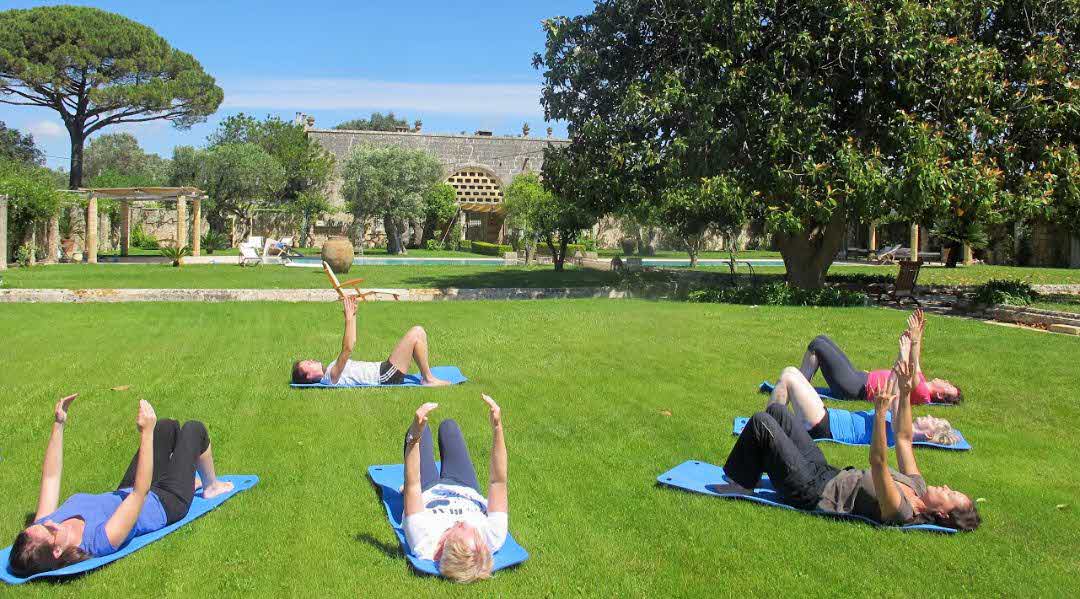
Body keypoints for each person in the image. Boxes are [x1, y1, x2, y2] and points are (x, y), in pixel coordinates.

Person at [713, 327, 980, 530]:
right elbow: (902, 437)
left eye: (950, 494)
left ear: (943, 513)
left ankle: (742, 484)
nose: (946, 486)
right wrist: (906, 393)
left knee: (762, 422)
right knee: (777, 412)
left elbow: (877, 463)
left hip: (812, 492)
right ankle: (757, 467)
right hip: (825, 472)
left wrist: (879, 414)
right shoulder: (918, 485)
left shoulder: (902, 510)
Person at [8, 395, 234, 577]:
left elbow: (50, 478)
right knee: (194, 430)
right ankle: (211, 486)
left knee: (166, 428)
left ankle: (185, 478)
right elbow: (140, 493)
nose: (49, 521)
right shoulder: (100, 540)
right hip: (165, 501)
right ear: (57, 551)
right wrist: (145, 433)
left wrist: (59, 424)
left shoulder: (45, 525)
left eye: (41, 523)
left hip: (124, 493)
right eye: (48, 529)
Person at [402, 395, 509, 583]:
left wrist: (414, 437)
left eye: (461, 529)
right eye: (474, 533)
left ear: (447, 546)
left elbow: (413, 483)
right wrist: (497, 428)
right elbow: (498, 481)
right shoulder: (492, 537)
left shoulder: (424, 540)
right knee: (449, 427)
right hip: (464, 486)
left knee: (422, 432)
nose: (465, 523)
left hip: (426, 491)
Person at [798, 309, 962, 405]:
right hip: (860, 378)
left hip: (856, 388)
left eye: (948, 386)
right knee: (822, 339)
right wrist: (918, 331)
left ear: (940, 395)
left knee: (817, 346)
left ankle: (799, 388)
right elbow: (916, 359)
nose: (946, 381)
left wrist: (914, 338)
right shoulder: (923, 384)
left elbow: (911, 364)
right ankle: (800, 385)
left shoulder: (922, 393)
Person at [768, 366, 961, 446]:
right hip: (828, 417)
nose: (929, 417)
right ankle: (768, 427)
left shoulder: (905, 432)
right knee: (791, 371)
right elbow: (895, 390)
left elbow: (895, 393)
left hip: (825, 426)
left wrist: (903, 356)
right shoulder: (905, 425)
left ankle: (766, 431)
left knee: (789, 377)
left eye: (933, 422)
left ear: (928, 434)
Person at [291, 294, 450, 386]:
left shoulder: (331, 369)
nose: (312, 360)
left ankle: (426, 377)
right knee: (417, 332)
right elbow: (348, 348)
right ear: (309, 377)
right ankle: (428, 379)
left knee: (419, 333)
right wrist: (348, 319)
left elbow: (351, 342)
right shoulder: (330, 377)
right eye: (308, 364)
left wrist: (352, 315)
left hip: (384, 369)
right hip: (384, 376)